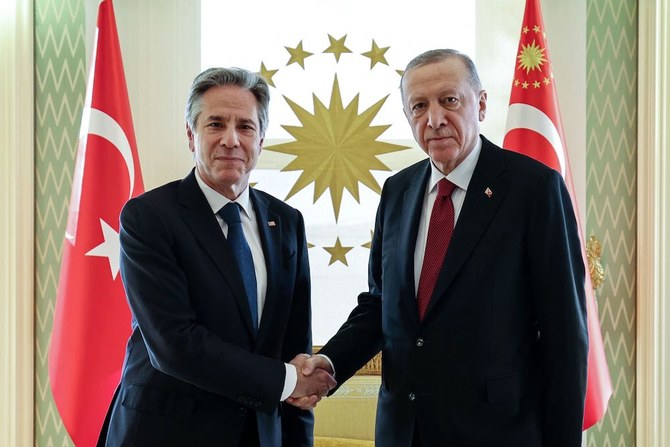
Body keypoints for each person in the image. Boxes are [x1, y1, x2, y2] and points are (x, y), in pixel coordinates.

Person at [291, 49, 588, 446]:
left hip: (498, 433)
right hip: (403, 432)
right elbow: (381, 305)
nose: (434, 119)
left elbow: (565, 336)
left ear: (480, 104)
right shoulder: (398, 190)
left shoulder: (533, 189)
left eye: (449, 100)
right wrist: (328, 364)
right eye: (418, 106)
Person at [99, 67, 335, 446]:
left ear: (260, 139)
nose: (231, 140)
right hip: (165, 434)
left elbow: (295, 346)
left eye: (245, 126)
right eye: (215, 124)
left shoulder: (286, 222)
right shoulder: (149, 217)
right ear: (191, 136)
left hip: (258, 436)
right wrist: (288, 380)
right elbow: (175, 345)